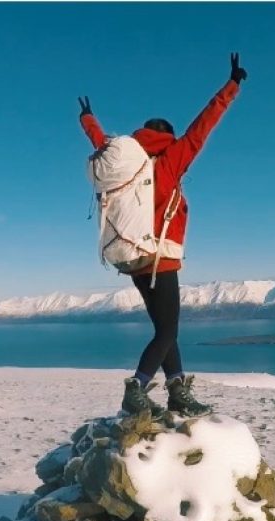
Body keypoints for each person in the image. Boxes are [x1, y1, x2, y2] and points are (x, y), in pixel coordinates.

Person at [78, 53, 247, 417]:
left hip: (132, 258)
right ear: (168, 136)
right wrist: (231, 86)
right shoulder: (173, 157)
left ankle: (177, 392)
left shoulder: (126, 159)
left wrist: (87, 119)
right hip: (161, 257)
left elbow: (99, 142)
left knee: (164, 328)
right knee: (167, 331)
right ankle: (137, 387)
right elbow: (204, 125)